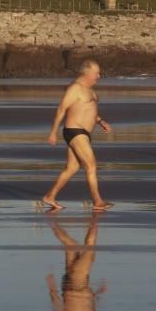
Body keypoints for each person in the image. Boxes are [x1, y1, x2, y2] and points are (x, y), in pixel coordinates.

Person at [42, 59, 113, 212]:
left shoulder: (90, 90)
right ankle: (97, 201)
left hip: (84, 133)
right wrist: (53, 132)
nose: (99, 76)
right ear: (87, 72)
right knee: (91, 165)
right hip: (75, 131)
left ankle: (50, 196)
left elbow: (88, 110)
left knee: (72, 168)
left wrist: (101, 121)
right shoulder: (75, 88)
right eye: (96, 73)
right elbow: (61, 109)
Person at [47, 216, 106, 311]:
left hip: (76, 284)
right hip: (80, 284)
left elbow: (58, 309)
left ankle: (96, 219)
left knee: (90, 249)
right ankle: (52, 222)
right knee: (71, 246)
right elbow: (87, 306)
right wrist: (98, 292)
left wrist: (51, 286)